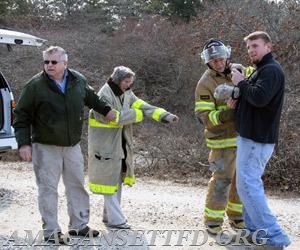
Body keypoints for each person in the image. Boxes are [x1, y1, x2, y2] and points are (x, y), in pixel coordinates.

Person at [13, 46, 116, 244]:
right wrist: (24, 143)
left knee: (76, 186)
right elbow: (21, 116)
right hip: (45, 147)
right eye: (46, 62)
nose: (49, 65)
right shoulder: (34, 85)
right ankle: (51, 230)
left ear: (65, 63)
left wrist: (106, 109)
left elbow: (91, 97)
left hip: (72, 146)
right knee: (48, 189)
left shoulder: (78, 80)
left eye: (54, 62)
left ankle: (79, 226)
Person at [88, 66, 179, 229]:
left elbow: (144, 107)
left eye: (131, 82)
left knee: (116, 181)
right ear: (118, 80)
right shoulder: (104, 94)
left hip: (118, 145)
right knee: (109, 182)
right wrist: (136, 115)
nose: (129, 85)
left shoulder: (127, 93)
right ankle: (116, 220)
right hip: (105, 146)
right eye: (126, 81)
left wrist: (164, 116)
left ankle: (109, 217)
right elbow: (112, 117)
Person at [231, 31, 291, 249]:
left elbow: (259, 97)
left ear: (268, 46)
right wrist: (238, 98)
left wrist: (241, 83)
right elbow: (255, 98)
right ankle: (254, 232)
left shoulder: (271, 70)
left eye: (255, 46)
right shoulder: (261, 70)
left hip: (257, 139)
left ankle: (275, 237)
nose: (251, 51)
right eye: (248, 47)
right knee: (247, 186)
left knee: (247, 185)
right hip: (252, 137)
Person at [194, 38, 250, 234]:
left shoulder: (240, 70)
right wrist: (228, 112)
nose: (218, 63)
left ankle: (236, 217)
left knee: (240, 180)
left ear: (227, 56)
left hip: (243, 138)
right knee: (222, 179)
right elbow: (205, 117)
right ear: (208, 62)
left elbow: (258, 81)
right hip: (221, 141)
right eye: (214, 61)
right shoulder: (205, 83)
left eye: (221, 59)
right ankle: (213, 221)